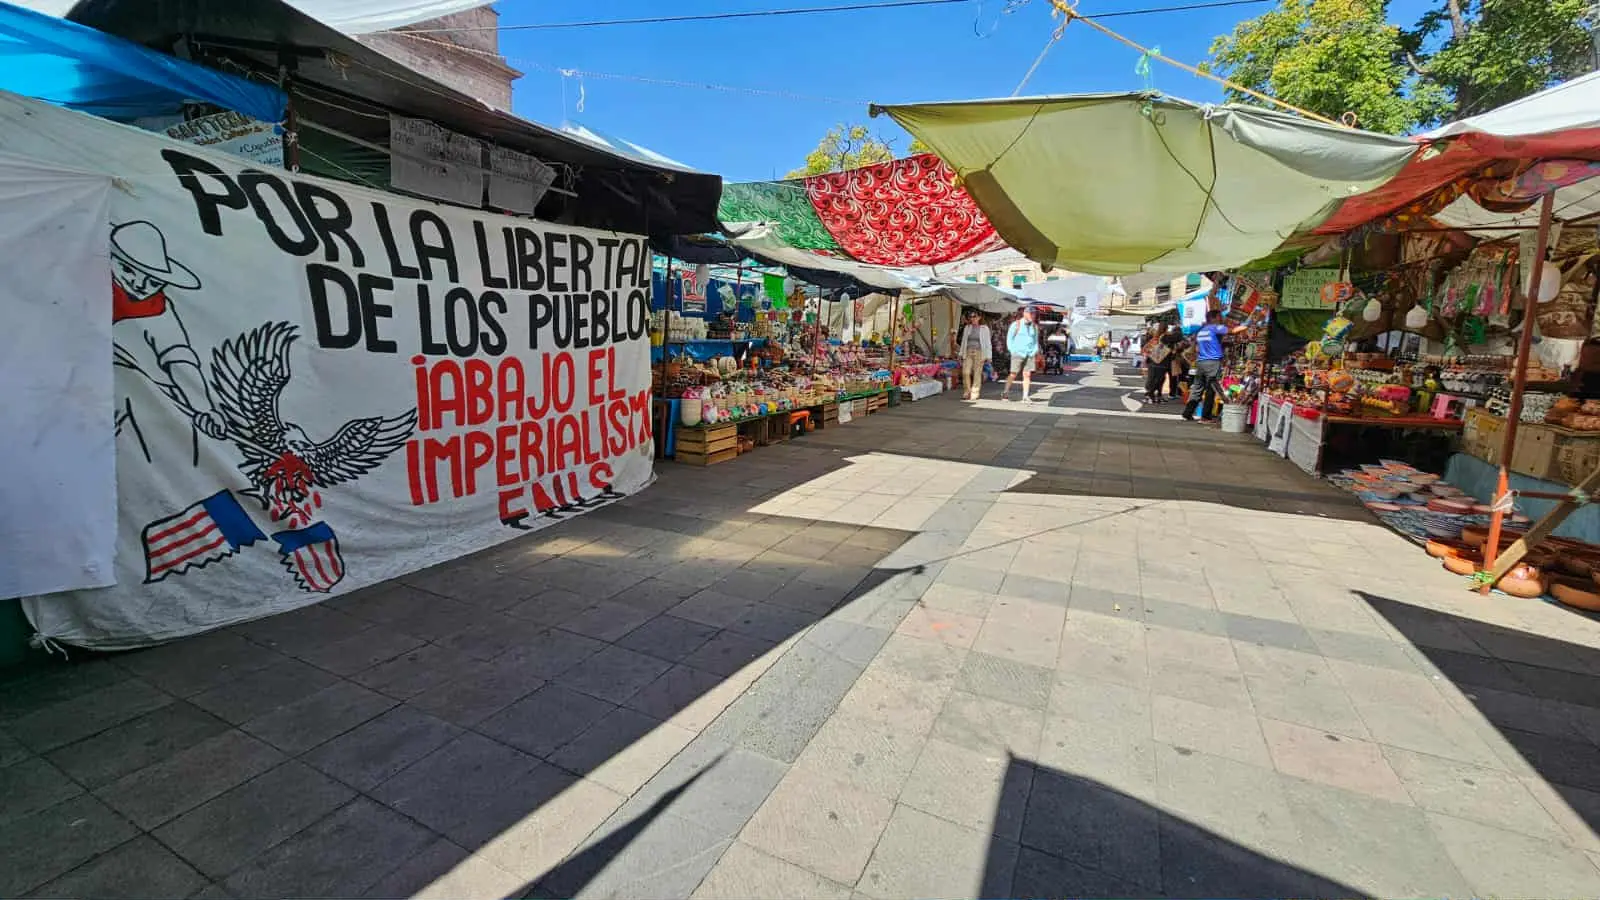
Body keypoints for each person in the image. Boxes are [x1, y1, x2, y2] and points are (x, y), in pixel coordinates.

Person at [1185, 309, 1231, 422]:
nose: (1221, 318)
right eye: (1220, 316)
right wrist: (1248, 323)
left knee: (1197, 389)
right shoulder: (1214, 327)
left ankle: (1188, 412)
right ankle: (1205, 416)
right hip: (1213, 362)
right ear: (1214, 318)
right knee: (1211, 389)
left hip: (1201, 362)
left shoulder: (1201, 331)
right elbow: (1232, 331)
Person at [1003, 307, 1041, 401]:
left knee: (1027, 374)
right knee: (1013, 374)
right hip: (1017, 353)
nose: (1033, 315)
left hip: (1029, 353)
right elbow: (1009, 339)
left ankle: (1025, 396)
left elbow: (1035, 340)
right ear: (1025, 314)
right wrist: (1012, 350)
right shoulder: (1016, 324)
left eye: (1034, 314)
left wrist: (1034, 350)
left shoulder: (1034, 326)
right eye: (1031, 313)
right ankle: (1005, 392)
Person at [956, 310, 992, 401]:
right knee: (965, 372)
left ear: (979, 318)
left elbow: (988, 343)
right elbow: (964, 342)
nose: (972, 318)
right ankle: (967, 391)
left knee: (977, 373)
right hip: (968, 351)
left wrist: (989, 356)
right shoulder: (967, 327)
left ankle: (975, 392)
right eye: (971, 317)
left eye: (974, 316)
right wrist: (960, 354)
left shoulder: (984, 328)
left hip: (979, 352)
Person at [1142, 324, 1172, 403]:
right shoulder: (1167, 337)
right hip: (1162, 362)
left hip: (1153, 361)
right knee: (1160, 379)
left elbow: (1146, 349)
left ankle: (1154, 395)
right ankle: (1151, 394)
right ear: (1166, 329)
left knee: (1154, 379)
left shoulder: (1155, 338)